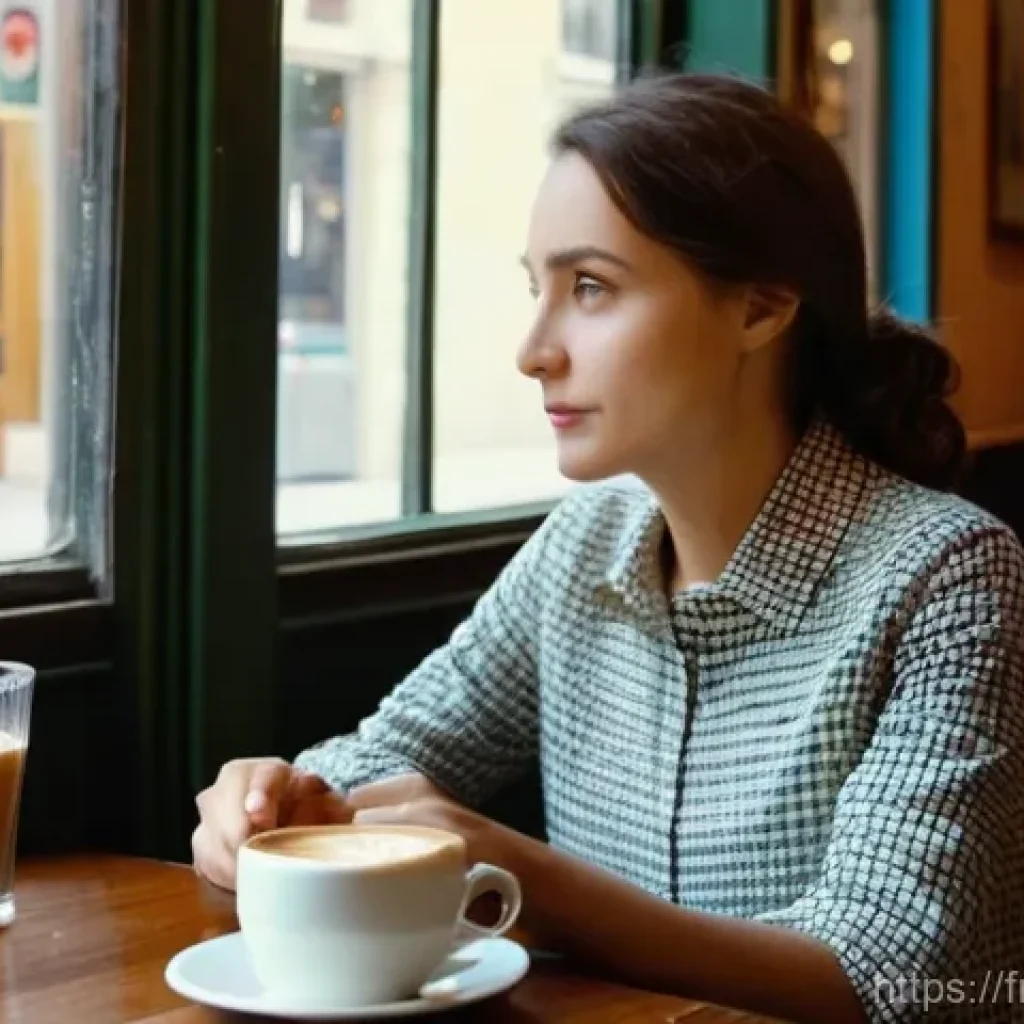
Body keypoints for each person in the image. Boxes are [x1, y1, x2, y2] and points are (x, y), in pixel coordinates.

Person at [192, 73, 1024, 1024]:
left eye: (590, 287)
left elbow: (883, 972)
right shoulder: (585, 544)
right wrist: (274, 805)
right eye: (535, 287)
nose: (533, 349)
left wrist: (522, 876)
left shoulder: (947, 573)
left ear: (759, 307)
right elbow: (385, 760)